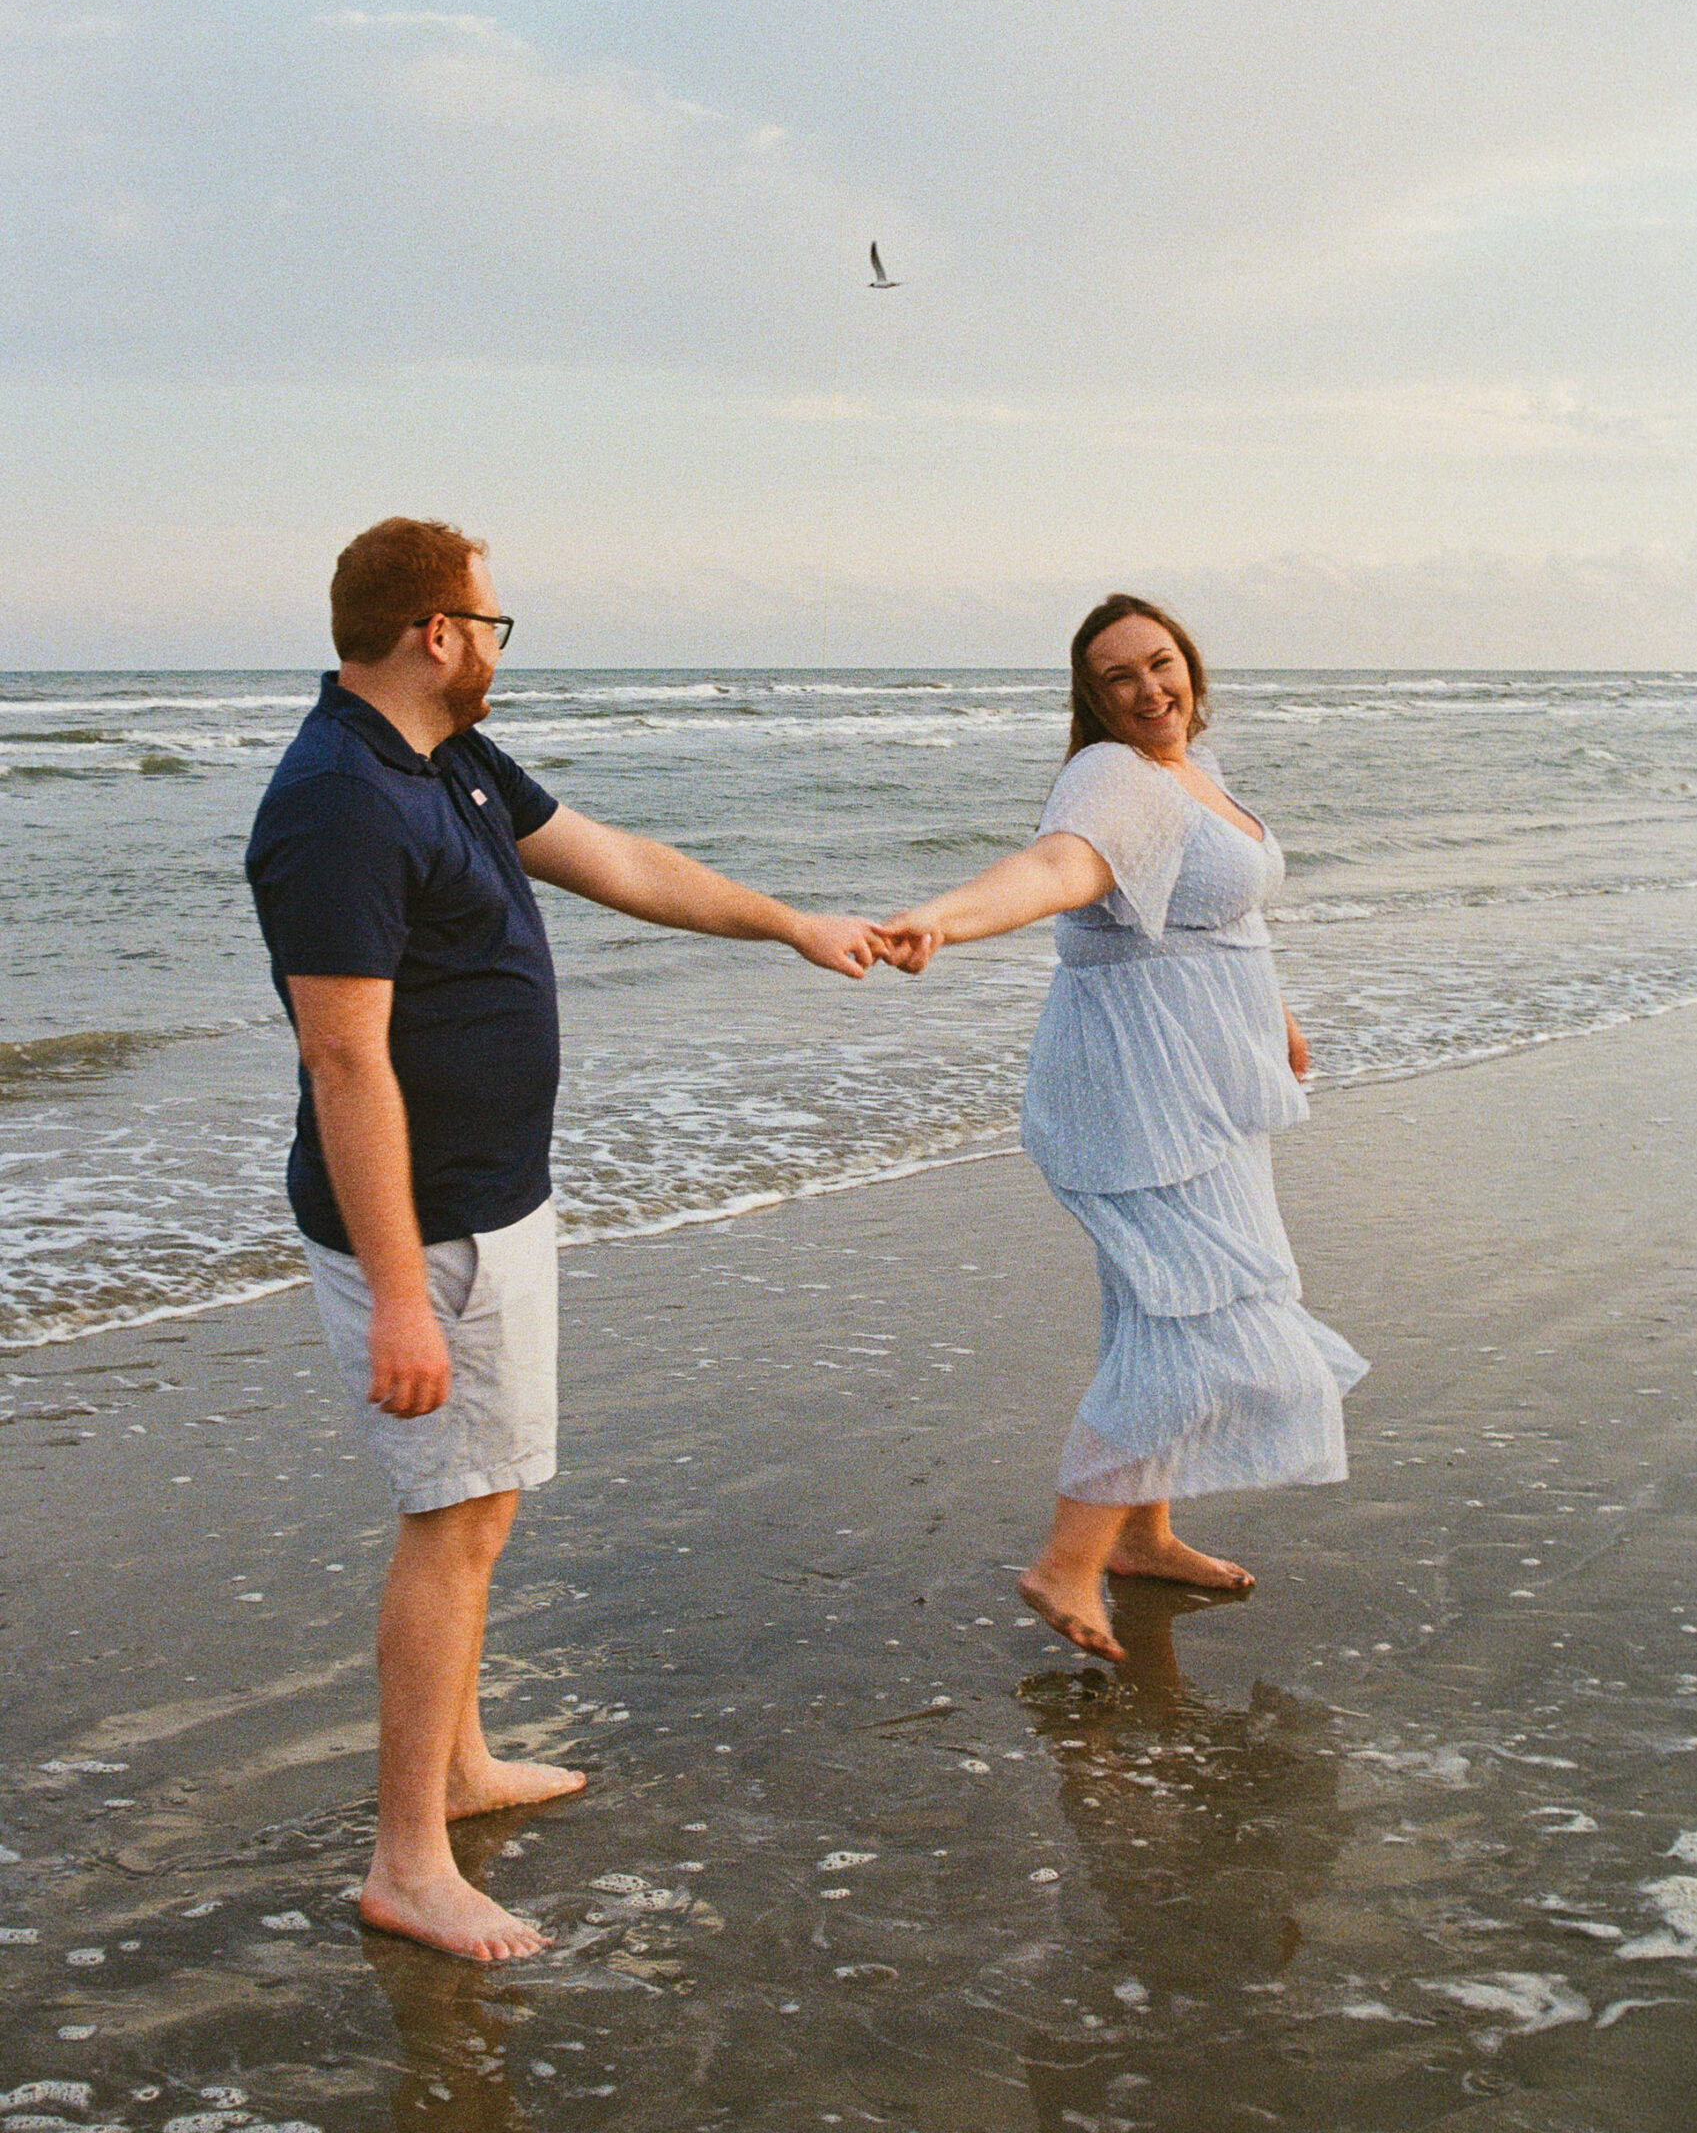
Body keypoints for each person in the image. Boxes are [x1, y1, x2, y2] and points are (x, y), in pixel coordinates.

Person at [246, 518, 883, 1962]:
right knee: (450, 1523)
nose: (497, 642)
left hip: (492, 1203)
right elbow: (344, 1063)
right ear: (434, 634)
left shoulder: (445, 761)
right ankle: (407, 1859)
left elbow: (623, 862)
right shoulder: (340, 800)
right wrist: (402, 1296)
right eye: (491, 622)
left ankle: (458, 1769)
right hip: (431, 1234)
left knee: (486, 1499)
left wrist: (789, 922)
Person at [878, 593, 1366, 1664]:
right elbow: (1054, 871)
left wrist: (1269, 1014)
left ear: (1188, 663)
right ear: (1090, 700)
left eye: (1160, 663)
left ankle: (1140, 1537)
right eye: (1119, 678)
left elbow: (1214, 910)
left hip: (1201, 1082)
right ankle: (1066, 1558)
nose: (1149, 689)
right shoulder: (1111, 778)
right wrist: (941, 919)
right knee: (1199, 1318)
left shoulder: (1191, 768)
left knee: (1156, 1305)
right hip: (1138, 1092)